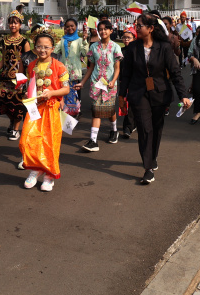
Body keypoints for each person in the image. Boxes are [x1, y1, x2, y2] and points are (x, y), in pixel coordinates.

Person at [117, 13, 190, 184]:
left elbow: (175, 72)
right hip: (138, 93)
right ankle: (148, 167)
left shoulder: (164, 47)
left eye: (140, 26)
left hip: (160, 93)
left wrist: (183, 95)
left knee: (156, 128)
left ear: (150, 28)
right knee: (144, 128)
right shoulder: (132, 48)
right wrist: (122, 95)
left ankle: (153, 156)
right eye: (136, 25)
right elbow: (126, 74)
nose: (136, 28)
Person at [19, 29, 70, 192]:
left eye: (46, 47)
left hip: (51, 109)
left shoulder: (59, 66)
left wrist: (52, 93)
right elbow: (30, 84)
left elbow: (66, 89)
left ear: (53, 48)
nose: (42, 50)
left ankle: (49, 175)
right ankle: (36, 169)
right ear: (34, 48)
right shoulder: (32, 65)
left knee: (49, 142)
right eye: (39, 46)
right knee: (28, 137)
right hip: (35, 108)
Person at [78, 20, 123, 151]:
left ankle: (114, 130)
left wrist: (113, 81)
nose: (103, 31)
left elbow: (117, 68)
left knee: (109, 110)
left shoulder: (115, 47)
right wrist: (82, 82)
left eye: (105, 29)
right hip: (95, 84)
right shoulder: (93, 47)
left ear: (111, 31)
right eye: (101, 29)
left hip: (109, 84)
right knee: (96, 110)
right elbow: (91, 67)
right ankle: (93, 141)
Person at [0, 10, 31, 141]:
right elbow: (3, 59)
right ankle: (12, 122)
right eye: (11, 22)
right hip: (5, 77)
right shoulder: (4, 41)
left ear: (20, 25)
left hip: (19, 77)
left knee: (17, 104)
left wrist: (25, 78)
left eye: (16, 23)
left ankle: (16, 129)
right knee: (6, 103)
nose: (13, 25)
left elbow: (28, 61)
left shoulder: (24, 41)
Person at [53, 18, 88, 118]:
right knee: (64, 91)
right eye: (67, 26)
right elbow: (55, 51)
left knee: (76, 91)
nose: (70, 28)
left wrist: (85, 41)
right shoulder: (63, 40)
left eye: (72, 26)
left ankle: (76, 110)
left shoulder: (80, 40)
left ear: (76, 27)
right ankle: (65, 112)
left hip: (75, 71)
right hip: (63, 71)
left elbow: (85, 52)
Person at [119, 26, 137, 138]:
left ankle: (128, 127)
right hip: (123, 81)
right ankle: (130, 125)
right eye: (124, 37)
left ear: (134, 38)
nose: (126, 39)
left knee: (132, 103)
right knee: (125, 102)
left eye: (129, 38)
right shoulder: (120, 51)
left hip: (135, 81)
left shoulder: (137, 50)